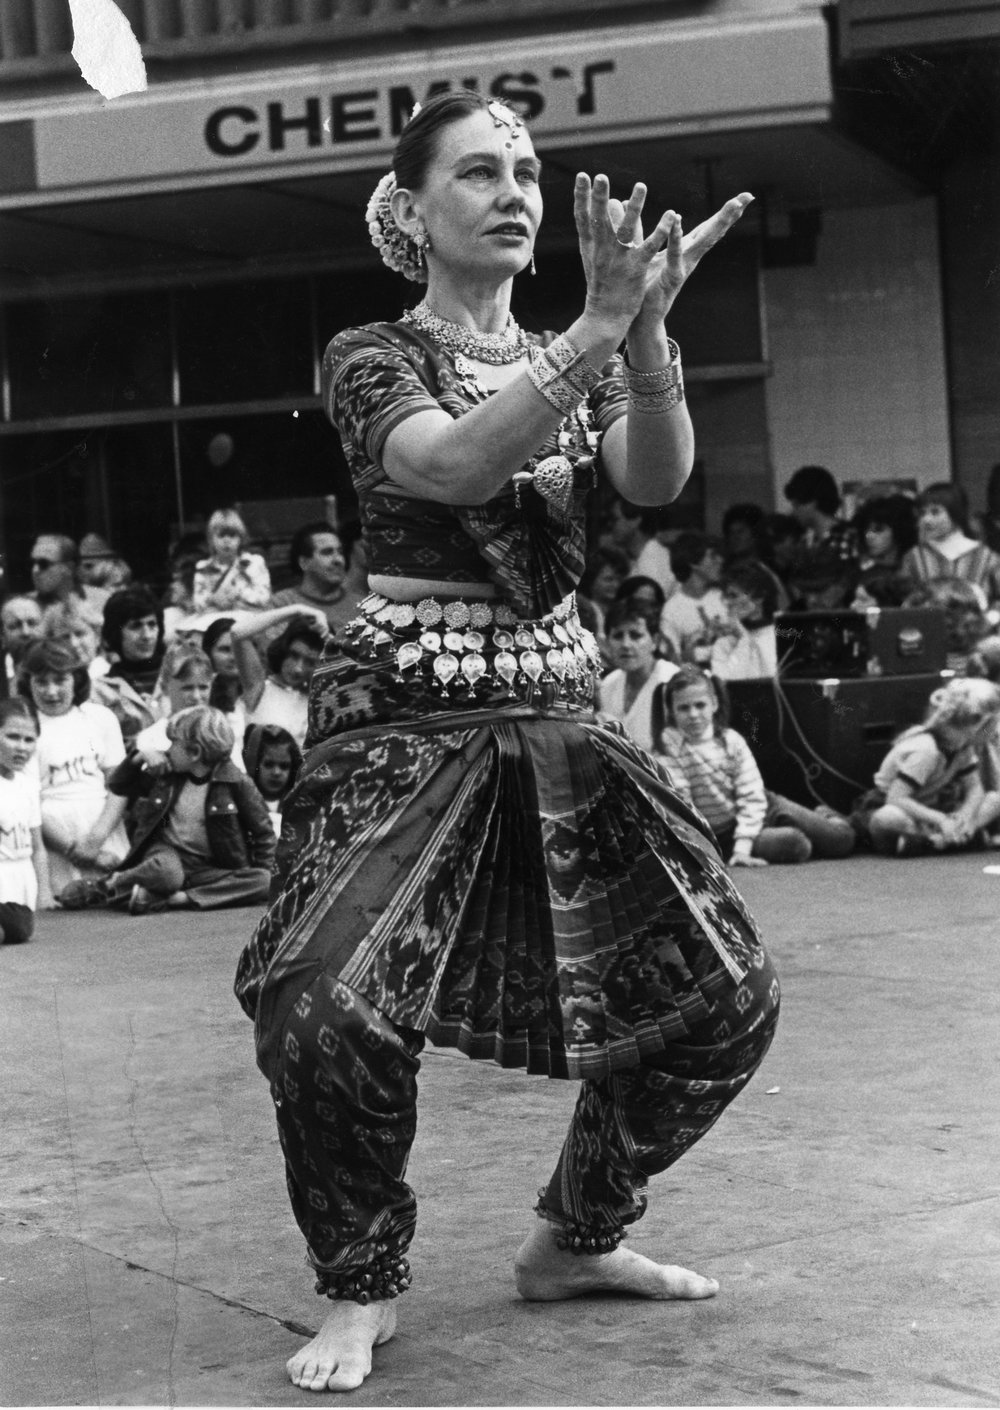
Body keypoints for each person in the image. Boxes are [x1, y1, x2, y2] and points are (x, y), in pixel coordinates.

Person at [232, 92, 778, 1395]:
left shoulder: (562, 348)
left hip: (560, 724)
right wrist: (596, 329)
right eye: (480, 172)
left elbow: (652, 480)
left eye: (529, 169)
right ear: (413, 209)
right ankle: (360, 1281)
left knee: (726, 999)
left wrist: (641, 333)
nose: (516, 190)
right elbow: (454, 468)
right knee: (321, 1006)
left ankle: (575, 1237)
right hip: (405, 728)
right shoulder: (371, 354)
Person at [59, 705, 275, 914]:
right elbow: (119, 786)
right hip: (165, 857)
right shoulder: (167, 776)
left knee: (264, 880)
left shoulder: (236, 782)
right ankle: (110, 884)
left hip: (208, 868)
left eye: (173, 743)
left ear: (194, 752)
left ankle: (172, 898)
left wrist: (265, 875)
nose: (168, 749)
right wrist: (139, 757)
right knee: (168, 874)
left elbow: (263, 833)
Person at [659, 666, 855, 865]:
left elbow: (751, 795)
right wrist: (732, 849)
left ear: (714, 704)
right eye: (684, 708)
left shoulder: (731, 741)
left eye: (700, 705)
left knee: (842, 840)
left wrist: (743, 848)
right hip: (725, 834)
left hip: (764, 805)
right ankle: (783, 830)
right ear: (671, 711)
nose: (693, 714)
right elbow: (683, 807)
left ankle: (823, 814)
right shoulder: (668, 750)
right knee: (797, 845)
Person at [18, 640, 129, 896]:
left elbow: (119, 785)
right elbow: (28, 801)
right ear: (28, 682)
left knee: (114, 896)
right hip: (54, 838)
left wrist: (95, 841)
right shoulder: (25, 728)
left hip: (102, 829)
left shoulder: (99, 718)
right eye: (41, 682)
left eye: (60, 680)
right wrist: (73, 849)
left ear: (76, 679)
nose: (52, 691)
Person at [851, 677, 1000, 855]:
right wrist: (941, 820)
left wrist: (966, 816)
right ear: (976, 724)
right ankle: (951, 840)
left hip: (933, 807)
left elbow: (975, 788)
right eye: (990, 725)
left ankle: (936, 841)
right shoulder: (926, 751)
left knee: (994, 800)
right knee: (889, 818)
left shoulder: (963, 747)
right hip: (900, 808)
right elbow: (896, 798)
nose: (992, 731)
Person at [231, 605, 327, 750]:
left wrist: (328, 637)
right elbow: (237, 632)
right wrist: (298, 610)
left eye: (309, 662)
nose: (298, 668)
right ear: (283, 649)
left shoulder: (316, 701)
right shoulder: (259, 687)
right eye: (294, 655)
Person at [0, 697, 53, 941]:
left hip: (20, 881)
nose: (21, 747)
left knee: (21, 930)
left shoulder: (28, 785)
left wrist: (44, 892)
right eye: (12, 737)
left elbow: (38, 847)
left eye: (29, 739)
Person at [900, 482, 1000, 610]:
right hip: (929, 627)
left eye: (935, 512)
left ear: (956, 512)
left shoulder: (987, 557)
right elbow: (905, 602)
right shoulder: (914, 557)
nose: (926, 519)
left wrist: (990, 620)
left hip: (976, 628)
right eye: (922, 513)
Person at [597, 600, 677, 752]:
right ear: (607, 642)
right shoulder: (608, 684)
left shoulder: (672, 681)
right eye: (618, 636)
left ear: (655, 641)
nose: (626, 644)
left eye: (636, 635)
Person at [98, 587, 166, 746]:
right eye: (136, 626)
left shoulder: (177, 675)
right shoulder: (100, 690)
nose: (147, 635)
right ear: (116, 632)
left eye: (152, 624)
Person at [270, 522, 356, 635]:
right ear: (304, 562)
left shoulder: (361, 605)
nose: (338, 560)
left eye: (340, 552)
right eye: (327, 552)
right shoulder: (282, 603)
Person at [657, 532, 731, 663]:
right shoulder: (671, 610)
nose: (720, 560)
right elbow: (673, 660)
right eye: (713, 556)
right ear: (693, 561)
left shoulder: (727, 596)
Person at [192, 509, 272, 615]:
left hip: (248, 616)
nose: (227, 541)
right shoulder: (203, 567)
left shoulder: (254, 563)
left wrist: (239, 592)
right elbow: (197, 604)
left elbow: (264, 598)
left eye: (232, 535)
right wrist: (212, 598)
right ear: (211, 539)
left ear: (241, 539)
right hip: (214, 619)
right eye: (221, 536)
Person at [711, 561, 778, 681]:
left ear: (759, 597)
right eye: (725, 596)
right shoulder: (723, 644)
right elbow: (726, 687)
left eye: (734, 596)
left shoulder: (780, 637)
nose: (727, 603)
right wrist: (743, 639)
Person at [783, 465, 858, 572]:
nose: (794, 511)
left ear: (812, 502)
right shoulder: (805, 541)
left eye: (797, 504)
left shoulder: (848, 537)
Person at [29, 534, 108, 624]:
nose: (35, 570)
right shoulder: (23, 607)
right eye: (32, 563)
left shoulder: (103, 600)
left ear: (69, 568)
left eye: (43, 564)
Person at [242, 722, 302, 837]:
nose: (276, 773)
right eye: (269, 764)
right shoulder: (242, 799)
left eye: (284, 766)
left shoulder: (295, 804)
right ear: (254, 764)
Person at [2, 595, 43, 694]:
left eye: (32, 623)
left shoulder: (64, 667)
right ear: (3, 635)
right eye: (15, 626)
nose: (26, 632)